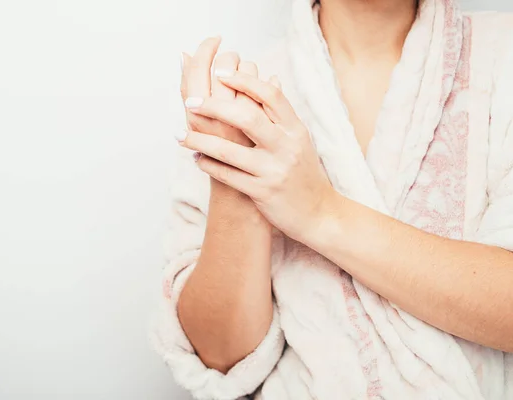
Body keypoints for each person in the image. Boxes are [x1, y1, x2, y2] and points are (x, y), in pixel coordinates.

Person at [151, 0, 513, 398]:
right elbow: (219, 358)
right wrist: (236, 182)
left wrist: (320, 212)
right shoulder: (241, 105)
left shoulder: (502, 55)